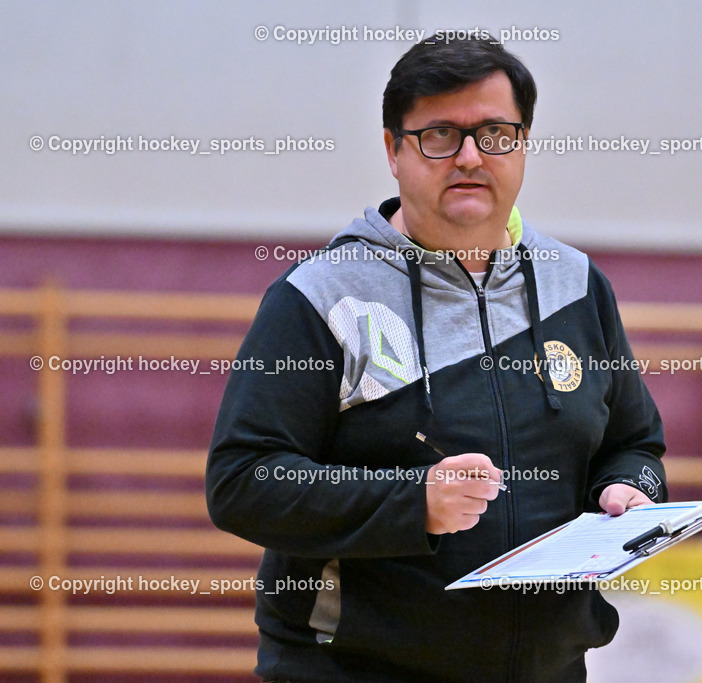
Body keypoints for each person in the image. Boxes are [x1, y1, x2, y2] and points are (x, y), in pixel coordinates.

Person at [206, 37, 667, 682]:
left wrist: (629, 490)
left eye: (495, 133)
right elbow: (243, 483)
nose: (471, 157)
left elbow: (634, 442)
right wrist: (411, 503)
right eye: (441, 135)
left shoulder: (577, 286)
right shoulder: (320, 297)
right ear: (394, 150)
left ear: (523, 143)